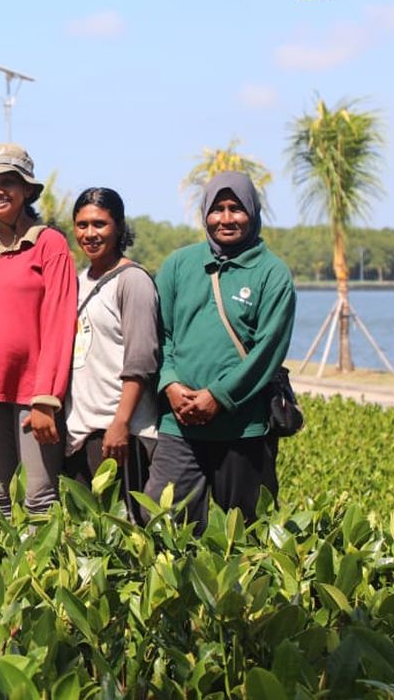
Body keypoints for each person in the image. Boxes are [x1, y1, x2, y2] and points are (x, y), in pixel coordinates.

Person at [145, 171, 296, 532]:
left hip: (243, 429)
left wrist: (219, 396)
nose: (226, 219)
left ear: (253, 213)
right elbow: (159, 335)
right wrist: (170, 384)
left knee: (246, 537)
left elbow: (268, 351)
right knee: (164, 528)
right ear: (204, 214)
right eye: (217, 209)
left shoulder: (272, 273)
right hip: (178, 427)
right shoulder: (179, 265)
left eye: (236, 209)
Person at [0, 143, 78, 517]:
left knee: (39, 499)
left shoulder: (50, 244)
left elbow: (60, 322)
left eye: (7, 182)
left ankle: (41, 576)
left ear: (27, 190)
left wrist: (46, 398)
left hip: (34, 396)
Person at [64, 188, 160, 515]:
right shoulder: (78, 282)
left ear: (118, 226)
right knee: (88, 534)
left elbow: (141, 361)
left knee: (125, 530)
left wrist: (121, 423)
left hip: (119, 433)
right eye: (82, 225)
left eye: (100, 224)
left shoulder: (133, 281)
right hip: (80, 431)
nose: (90, 234)